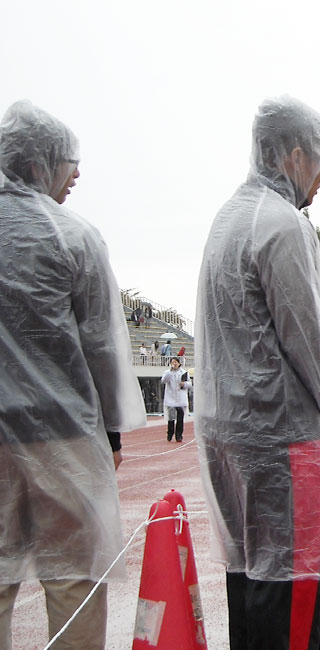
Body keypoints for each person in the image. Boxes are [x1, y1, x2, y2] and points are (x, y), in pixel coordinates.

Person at [195, 96, 320, 650]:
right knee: (292, 583)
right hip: (279, 441)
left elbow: (261, 338)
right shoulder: (284, 224)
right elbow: (306, 335)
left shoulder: (230, 217)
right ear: (296, 156)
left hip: (230, 434)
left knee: (250, 581)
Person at [0, 100, 145, 649]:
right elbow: (104, 345)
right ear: (40, 163)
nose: (76, 173)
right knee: (75, 578)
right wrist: (111, 430)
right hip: (62, 433)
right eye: (68, 160)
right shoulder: (73, 236)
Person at [161, 357, 190, 442]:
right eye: (172, 362)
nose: (174, 364)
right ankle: (170, 433)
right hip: (171, 398)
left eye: (176, 362)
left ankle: (179, 435)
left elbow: (189, 384)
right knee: (171, 418)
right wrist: (170, 371)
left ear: (179, 363)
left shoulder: (184, 373)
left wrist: (184, 384)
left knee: (180, 418)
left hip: (181, 398)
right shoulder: (167, 372)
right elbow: (164, 380)